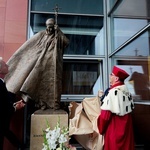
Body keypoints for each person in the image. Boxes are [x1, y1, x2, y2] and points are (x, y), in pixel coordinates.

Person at [4, 18, 69, 110]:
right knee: (40, 85)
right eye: (48, 27)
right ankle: (42, 104)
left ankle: (54, 105)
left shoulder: (58, 36)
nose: (50, 29)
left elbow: (66, 42)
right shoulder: (41, 35)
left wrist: (59, 32)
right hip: (42, 65)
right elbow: (30, 49)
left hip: (55, 66)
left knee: (55, 85)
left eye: (51, 27)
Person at [97, 66, 135, 150]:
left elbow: (105, 116)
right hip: (127, 131)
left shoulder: (112, 93)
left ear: (116, 78)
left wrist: (100, 129)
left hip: (113, 131)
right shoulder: (127, 92)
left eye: (111, 74)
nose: (110, 76)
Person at [0, 57, 25, 149]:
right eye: (5, 65)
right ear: (0, 70)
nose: (8, 65)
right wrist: (14, 108)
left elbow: (3, 102)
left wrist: (13, 105)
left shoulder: (1, 83)